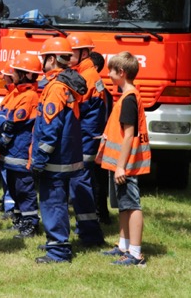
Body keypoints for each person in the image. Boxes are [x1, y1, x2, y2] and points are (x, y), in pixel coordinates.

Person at [31, 37, 87, 263]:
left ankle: (58, 251)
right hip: (66, 156)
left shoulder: (55, 88)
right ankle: (57, 245)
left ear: (52, 59)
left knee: (52, 203)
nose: (42, 62)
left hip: (55, 159)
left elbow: (50, 130)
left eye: (45, 58)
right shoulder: (66, 85)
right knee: (58, 203)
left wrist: (39, 159)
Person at [97, 51, 151, 266]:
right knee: (123, 205)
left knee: (132, 205)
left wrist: (121, 167)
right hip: (119, 163)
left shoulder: (129, 98)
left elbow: (129, 135)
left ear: (121, 72)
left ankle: (136, 254)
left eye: (111, 70)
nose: (108, 74)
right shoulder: (126, 96)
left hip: (125, 165)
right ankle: (123, 245)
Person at [66, 33, 106, 246]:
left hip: (84, 139)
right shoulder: (86, 73)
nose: (68, 55)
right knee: (82, 184)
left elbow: (77, 109)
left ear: (84, 53)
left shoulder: (87, 77)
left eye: (72, 52)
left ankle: (90, 234)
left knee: (81, 185)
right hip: (85, 138)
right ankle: (87, 230)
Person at [0, 53, 42, 239]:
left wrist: (2, 127)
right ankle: (20, 219)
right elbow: (3, 116)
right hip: (12, 151)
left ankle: (31, 223)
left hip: (21, 151)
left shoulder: (29, 96)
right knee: (15, 188)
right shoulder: (17, 93)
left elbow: (10, 122)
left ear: (26, 74)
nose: (12, 73)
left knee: (25, 189)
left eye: (16, 71)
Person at [89, 50, 113, 224]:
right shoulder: (102, 89)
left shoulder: (100, 90)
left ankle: (100, 214)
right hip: (98, 139)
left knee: (97, 180)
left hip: (97, 141)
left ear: (94, 67)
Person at [0, 67, 16, 222]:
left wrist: (0, 118)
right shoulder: (11, 94)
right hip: (6, 144)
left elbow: (9, 120)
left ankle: (10, 208)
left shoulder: (17, 95)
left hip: (11, 145)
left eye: (6, 76)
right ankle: (7, 204)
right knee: (5, 175)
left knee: (10, 177)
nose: (4, 79)